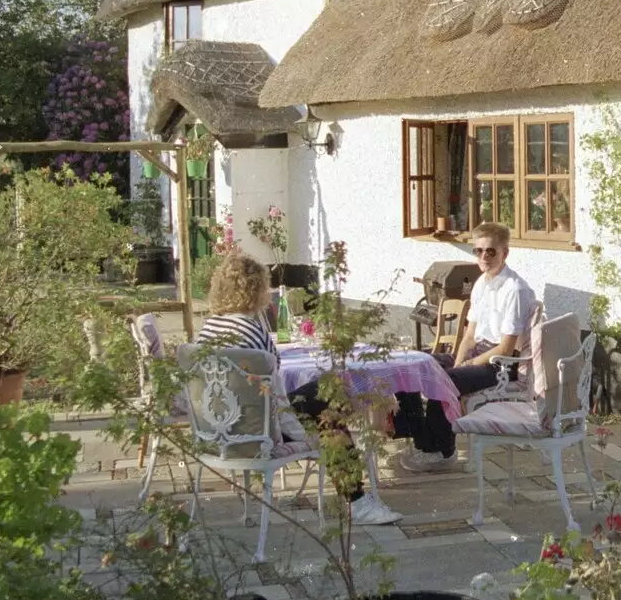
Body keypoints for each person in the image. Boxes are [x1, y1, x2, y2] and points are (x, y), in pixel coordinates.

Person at [197, 253, 401, 525]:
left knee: (324, 398)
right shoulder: (253, 330)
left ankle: (357, 487)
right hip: (260, 432)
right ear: (257, 288)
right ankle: (358, 500)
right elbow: (276, 393)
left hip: (218, 429)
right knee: (329, 401)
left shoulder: (208, 329)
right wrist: (302, 432)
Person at [394, 222, 536, 473]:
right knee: (411, 365)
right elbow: (469, 335)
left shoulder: (515, 289)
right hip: (478, 352)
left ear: (505, 253)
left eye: (490, 251)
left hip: (501, 364)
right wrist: (460, 361)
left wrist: (467, 365)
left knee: (443, 378)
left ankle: (442, 451)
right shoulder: (481, 283)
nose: (483, 257)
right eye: (478, 251)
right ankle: (418, 435)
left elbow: (505, 347)